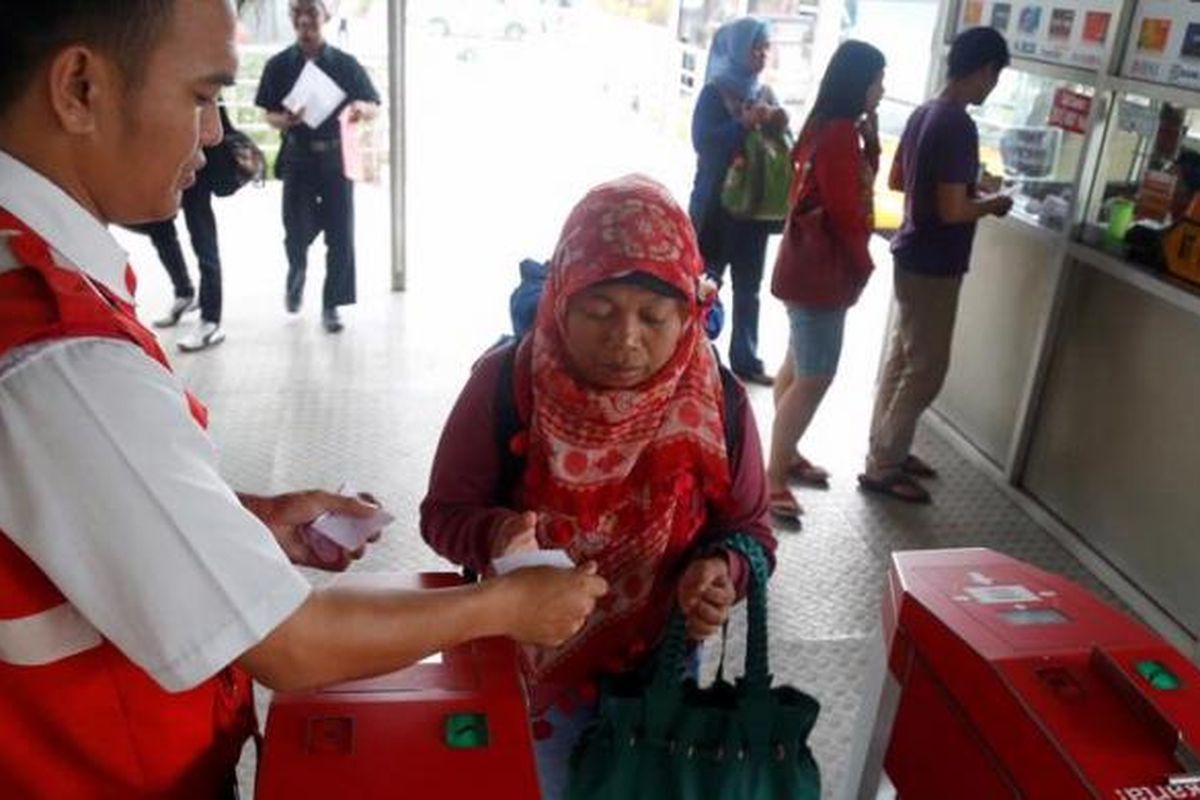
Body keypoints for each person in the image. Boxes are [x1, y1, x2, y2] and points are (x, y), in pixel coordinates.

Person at [0, 2, 606, 797]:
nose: (214, 132)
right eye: (200, 96)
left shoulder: (35, 281)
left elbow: (65, 507)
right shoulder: (56, 352)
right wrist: (505, 607)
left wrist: (237, 521)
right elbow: (290, 643)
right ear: (80, 88)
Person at [420, 175, 777, 800]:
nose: (626, 338)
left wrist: (723, 572)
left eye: (654, 316)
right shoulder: (508, 383)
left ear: (689, 311)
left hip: (662, 671)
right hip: (527, 672)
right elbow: (444, 513)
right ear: (561, 297)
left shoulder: (716, 399)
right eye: (600, 310)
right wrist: (495, 534)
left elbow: (752, 530)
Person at [859, 27, 1013, 503]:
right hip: (935, 263)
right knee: (926, 369)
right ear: (984, 69)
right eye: (996, 76)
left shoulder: (926, 111)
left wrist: (963, 186)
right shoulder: (958, 124)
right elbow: (952, 211)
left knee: (902, 359)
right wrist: (993, 202)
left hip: (911, 252)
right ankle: (885, 465)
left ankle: (886, 449)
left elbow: (901, 178)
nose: (993, 86)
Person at [765, 41, 886, 520]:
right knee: (816, 376)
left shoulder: (826, 127)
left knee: (798, 365)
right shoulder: (838, 134)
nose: (882, 88)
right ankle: (773, 475)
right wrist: (863, 264)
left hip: (803, 266)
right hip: (821, 272)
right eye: (878, 80)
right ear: (858, 83)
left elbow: (844, 186)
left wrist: (870, 140)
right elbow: (845, 211)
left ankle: (785, 454)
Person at [255, 0, 380, 334]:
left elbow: (373, 104)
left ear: (325, 18)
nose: (305, 22)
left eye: (312, 15)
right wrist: (285, 119)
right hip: (298, 157)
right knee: (296, 230)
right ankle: (296, 271)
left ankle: (332, 304)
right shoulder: (279, 65)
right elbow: (267, 112)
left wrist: (359, 108)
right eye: (298, 16)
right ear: (292, 20)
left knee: (341, 234)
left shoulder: (344, 64)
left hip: (337, 159)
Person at [688, 16, 788, 387]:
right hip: (715, 206)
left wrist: (777, 121)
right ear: (736, 49)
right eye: (755, 48)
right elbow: (704, 143)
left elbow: (781, 146)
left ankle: (745, 361)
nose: (762, 55)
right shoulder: (714, 93)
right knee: (704, 282)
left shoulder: (764, 93)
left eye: (766, 48)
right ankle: (691, 354)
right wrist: (742, 124)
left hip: (753, 212)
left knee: (749, 287)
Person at [131, 107, 232, 352]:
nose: (214, 131)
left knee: (204, 244)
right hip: (162, 163)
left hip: (197, 171)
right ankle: (184, 293)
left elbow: (218, 130)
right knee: (160, 231)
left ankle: (210, 320)